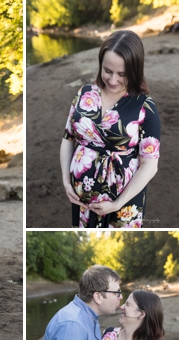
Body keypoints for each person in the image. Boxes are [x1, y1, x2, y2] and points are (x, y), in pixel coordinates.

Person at [60, 30, 159, 228]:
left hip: (123, 204)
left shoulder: (146, 108)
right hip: (81, 201)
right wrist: (66, 182)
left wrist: (116, 204)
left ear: (135, 70)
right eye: (108, 71)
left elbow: (149, 165)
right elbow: (68, 139)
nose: (113, 80)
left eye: (122, 74)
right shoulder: (84, 94)